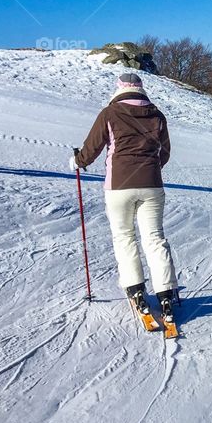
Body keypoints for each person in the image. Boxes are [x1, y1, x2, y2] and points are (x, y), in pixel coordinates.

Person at [70, 72, 179, 323]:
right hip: (152, 185)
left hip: (118, 186)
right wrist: (150, 168)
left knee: (124, 237)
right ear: (141, 89)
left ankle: (136, 291)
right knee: (154, 238)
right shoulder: (157, 115)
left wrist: (77, 161)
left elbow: (91, 148)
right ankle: (165, 294)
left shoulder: (109, 113)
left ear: (119, 89)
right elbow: (165, 152)